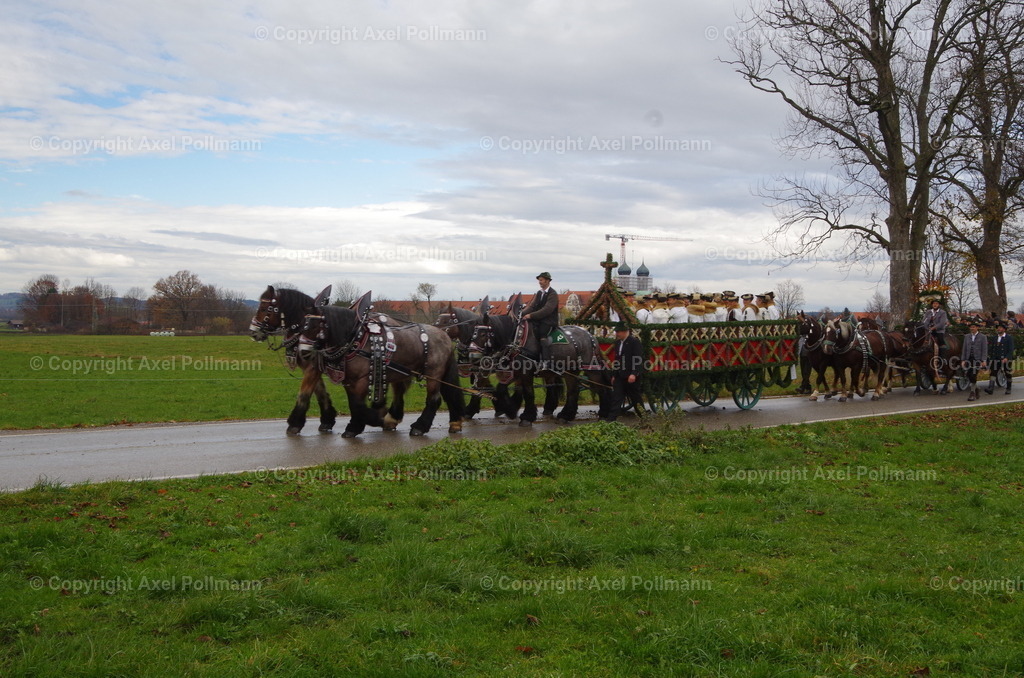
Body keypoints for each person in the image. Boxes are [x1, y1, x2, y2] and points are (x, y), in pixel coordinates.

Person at [603, 321, 645, 422]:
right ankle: (611, 420)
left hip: (630, 375)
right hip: (620, 375)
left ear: (626, 331)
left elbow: (638, 359)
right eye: (616, 332)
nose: (617, 334)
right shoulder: (618, 343)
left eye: (619, 332)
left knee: (635, 398)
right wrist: (614, 375)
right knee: (616, 397)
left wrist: (634, 374)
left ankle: (643, 417)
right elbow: (617, 360)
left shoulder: (634, 342)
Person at [522, 271, 559, 368]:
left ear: (547, 281)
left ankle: (546, 361)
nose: (539, 282)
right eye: (539, 280)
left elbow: (547, 310)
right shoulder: (539, 293)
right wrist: (521, 313)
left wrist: (531, 316)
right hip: (538, 319)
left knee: (542, 333)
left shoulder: (552, 294)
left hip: (549, 321)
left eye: (541, 280)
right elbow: (532, 306)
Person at [961, 319, 988, 401]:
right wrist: (963, 359)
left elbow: (984, 349)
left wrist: (983, 360)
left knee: (973, 375)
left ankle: (972, 393)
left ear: (977, 328)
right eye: (971, 327)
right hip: (969, 358)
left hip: (977, 359)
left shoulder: (983, 337)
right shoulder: (967, 337)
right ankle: (976, 389)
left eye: (973, 327)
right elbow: (964, 349)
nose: (972, 328)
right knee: (969, 375)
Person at [985, 321, 1014, 395]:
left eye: (1000, 328)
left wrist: (1007, 358)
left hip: (1005, 358)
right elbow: (992, 348)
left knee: (1007, 373)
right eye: (998, 328)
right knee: (993, 373)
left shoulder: (1008, 338)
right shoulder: (995, 338)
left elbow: (1011, 349)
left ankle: (1008, 388)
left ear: (1004, 329)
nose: (999, 329)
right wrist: (990, 356)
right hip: (996, 358)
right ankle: (990, 388)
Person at [923, 299, 950, 375]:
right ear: (932, 305)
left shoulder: (942, 313)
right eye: (934, 303)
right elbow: (924, 321)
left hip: (938, 330)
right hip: (928, 330)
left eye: (936, 303)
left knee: (940, 340)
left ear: (939, 305)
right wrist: (926, 327)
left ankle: (943, 357)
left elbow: (942, 323)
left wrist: (933, 328)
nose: (935, 305)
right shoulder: (928, 312)